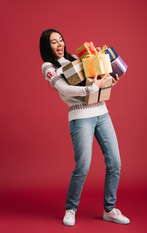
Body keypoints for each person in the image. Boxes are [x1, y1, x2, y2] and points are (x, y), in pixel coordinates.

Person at [39, 29, 130, 226]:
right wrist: (93, 88)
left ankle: (110, 209)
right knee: (83, 165)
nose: (60, 44)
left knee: (115, 162)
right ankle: (71, 209)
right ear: (47, 46)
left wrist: (109, 82)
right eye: (54, 42)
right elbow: (65, 89)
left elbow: (96, 81)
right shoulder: (48, 66)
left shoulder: (75, 58)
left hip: (102, 113)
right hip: (80, 117)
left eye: (61, 40)